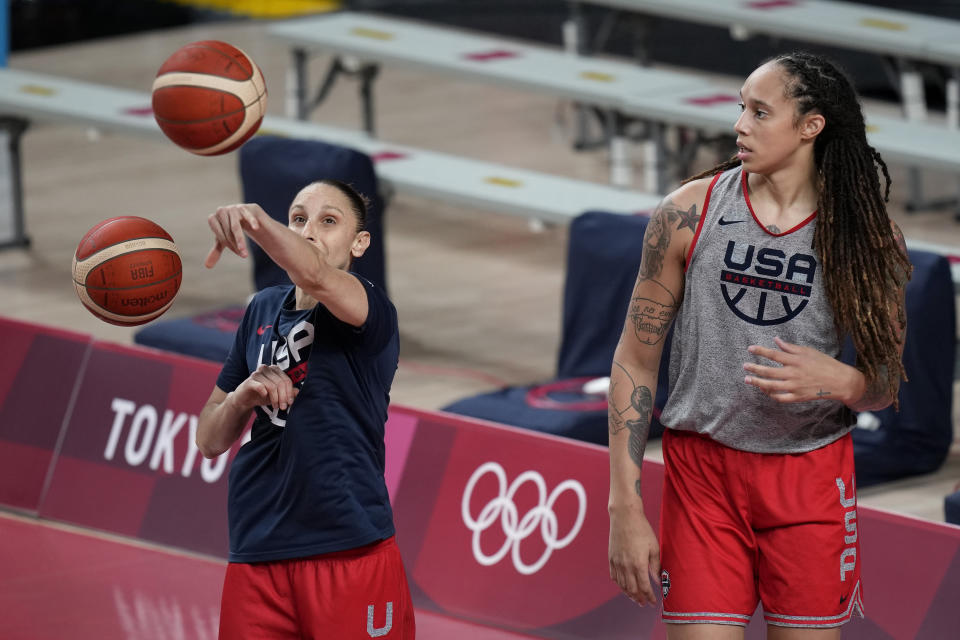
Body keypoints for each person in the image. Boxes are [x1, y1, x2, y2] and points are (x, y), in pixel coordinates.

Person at [607, 51, 911, 639]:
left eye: (759, 111)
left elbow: (886, 381)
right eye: (740, 109)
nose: (740, 125)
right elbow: (635, 359)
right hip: (702, 476)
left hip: (812, 480)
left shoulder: (868, 239)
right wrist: (624, 503)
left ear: (810, 125)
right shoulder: (686, 214)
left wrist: (845, 381)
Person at [196, 179, 415, 639]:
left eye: (327, 221)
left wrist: (255, 220)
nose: (308, 231)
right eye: (299, 219)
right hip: (257, 550)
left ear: (359, 243)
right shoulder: (261, 309)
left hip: (345, 548)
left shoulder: (368, 309)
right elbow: (209, 439)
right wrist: (243, 397)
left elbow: (315, 274)